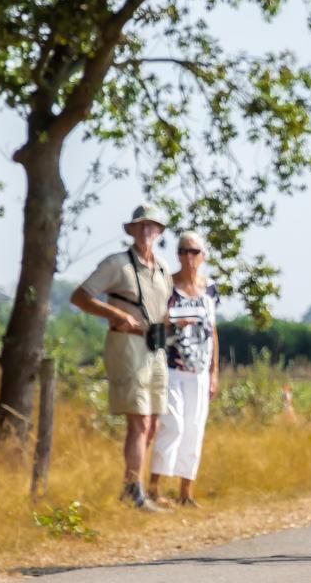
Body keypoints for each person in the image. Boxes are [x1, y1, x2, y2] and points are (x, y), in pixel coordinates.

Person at [71, 204, 172, 511]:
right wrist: (116, 314)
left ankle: (134, 486)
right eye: (140, 226)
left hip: (155, 348)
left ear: (160, 232)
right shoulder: (117, 264)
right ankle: (133, 491)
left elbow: (162, 309)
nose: (146, 231)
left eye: (152, 226)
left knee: (153, 422)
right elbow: (80, 296)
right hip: (127, 344)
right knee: (139, 421)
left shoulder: (163, 268)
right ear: (130, 230)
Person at [148, 231, 220, 507]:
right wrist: (172, 323)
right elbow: (154, 321)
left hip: (200, 369)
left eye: (193, 251)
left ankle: (186, 491)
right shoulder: (168, 286)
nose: (188, 257)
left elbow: (213, 330)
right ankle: (155, 486)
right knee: (173, 424)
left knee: (194, 428)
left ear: (203, 256)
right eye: (182, 251)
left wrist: (214, 372)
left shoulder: (210, 289)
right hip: (172, 366)